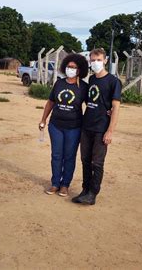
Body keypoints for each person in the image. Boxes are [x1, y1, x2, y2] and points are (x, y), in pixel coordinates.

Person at [72, 48, 121, 206]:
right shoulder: (92, 79)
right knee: (85, 160)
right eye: (92, 60)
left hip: (101, 129)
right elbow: (91, 100)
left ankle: (93, 193)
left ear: (105, 61)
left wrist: (110, 131)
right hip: (87, 127)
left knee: (97, 163)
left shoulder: (114, 81)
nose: (95, 63)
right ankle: (85, 190)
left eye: (98, 60)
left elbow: (116, 108)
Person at [39, 54, 89, 197]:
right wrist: (43, 119)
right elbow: (50, 102)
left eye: (73, 67)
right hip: (56, 126)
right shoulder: (59, 83)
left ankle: (65, 185)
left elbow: (91, 105)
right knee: (56, 155)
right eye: (68, 67)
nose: (70, 69)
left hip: (74, 128)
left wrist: (106, 111)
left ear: (79, 70)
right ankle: (55, 183)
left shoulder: (84, 87)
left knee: (69, 156)